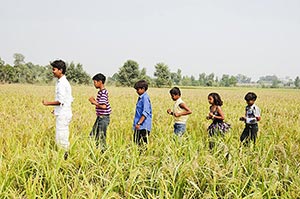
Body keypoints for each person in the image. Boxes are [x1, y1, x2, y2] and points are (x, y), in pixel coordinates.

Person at [42, 60, 73, 160]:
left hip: (63, 114)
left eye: (54, 69)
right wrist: (56, 109)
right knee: (61, 136)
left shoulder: (62, 84)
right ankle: (63, 157)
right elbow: (67, 100)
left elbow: (60, 101)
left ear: (60, 70)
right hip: (63, 112)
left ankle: (65, 158)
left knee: (61, 137)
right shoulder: (62, 82)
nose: (52, 71)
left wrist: (48, 103)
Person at [89, 73, 112, 152]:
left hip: (103, 118)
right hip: (100, 117)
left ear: (100, 82)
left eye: (95, 82)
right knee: (93, 135)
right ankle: (96, 151)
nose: (94, 84)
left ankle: (103, 153)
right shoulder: (100, 92)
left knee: (101, 137)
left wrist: (94, 102)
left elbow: (103, 106)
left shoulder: (103, 92)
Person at [133, 80, 152, 147]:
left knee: (142, 144)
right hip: (140, 125)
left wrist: (139, 123)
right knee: (136, 142)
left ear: (143, 89)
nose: (136, 91)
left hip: (143, 126)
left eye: (138, 89)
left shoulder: (145, 98)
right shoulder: (141, 98)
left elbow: (145, 112)